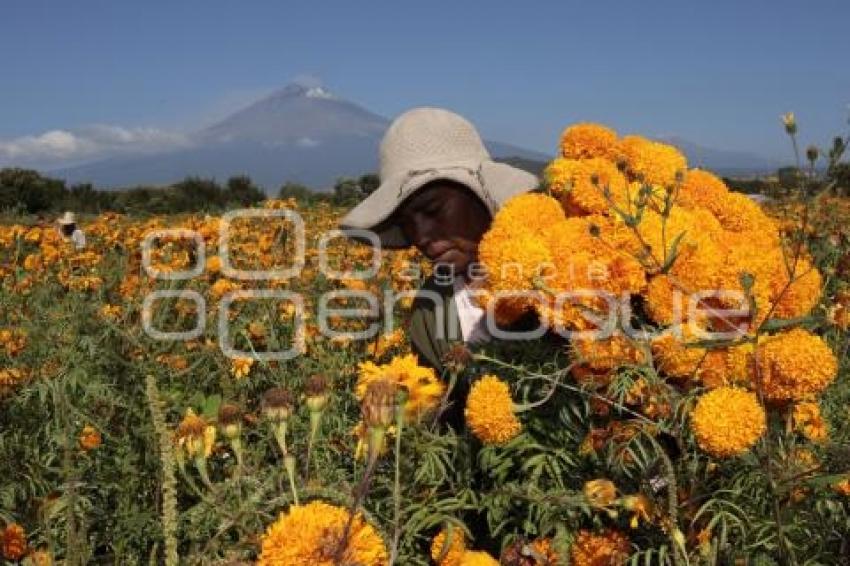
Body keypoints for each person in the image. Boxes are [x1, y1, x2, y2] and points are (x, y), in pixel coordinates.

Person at [339, 107, 539, 409]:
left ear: (480, 193)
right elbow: (446, 422)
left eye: (433, 211)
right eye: (406, 222)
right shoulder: (428, 311)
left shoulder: (561, 267)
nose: (419, 236)